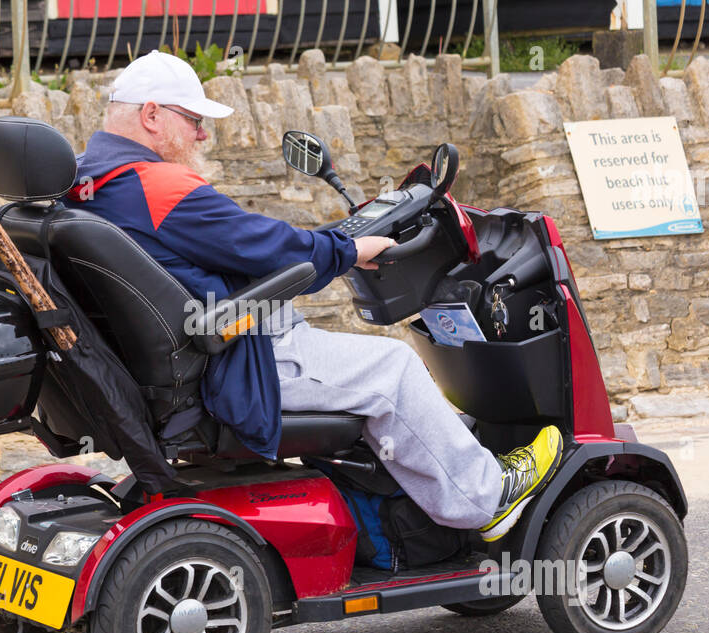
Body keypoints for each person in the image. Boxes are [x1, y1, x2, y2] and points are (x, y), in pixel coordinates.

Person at [64, 51, 562, 540]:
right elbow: (266, 248)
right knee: (393, 367)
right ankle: (484, 496)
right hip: (232, 358)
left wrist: (334, 244)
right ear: (152, 115)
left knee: (355, 357)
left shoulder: (87, 181)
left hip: (179, 353)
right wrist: (348, 250)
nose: (202, 133)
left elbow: (240, 243)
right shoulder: (158, 187)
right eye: (193, 119)